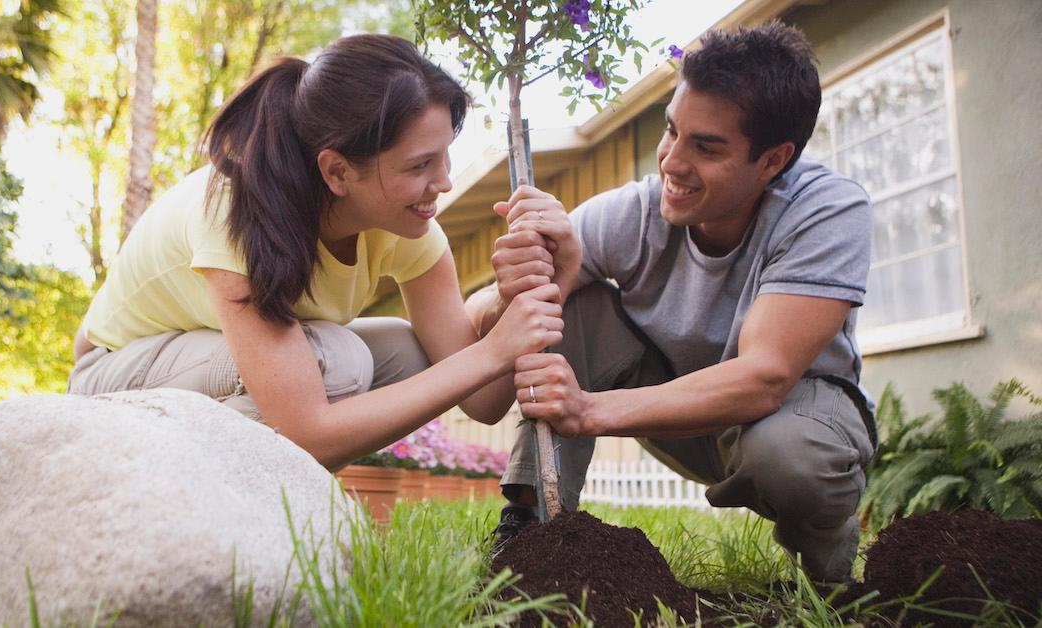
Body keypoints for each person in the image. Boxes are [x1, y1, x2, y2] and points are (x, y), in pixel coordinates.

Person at [468, 21, 877, 584]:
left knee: (787, 455)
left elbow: (765, 377)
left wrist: (587, 410)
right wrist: (516, 288)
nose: (671, 162)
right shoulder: (632, 215)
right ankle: (530, 533)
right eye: (671, 131)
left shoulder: (826, 211)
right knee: (570, 304)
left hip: (788, 420)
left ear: (773, 160)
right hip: (678, 413)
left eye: (705, 147)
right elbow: (484, 321)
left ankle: (833, 582)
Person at [68, 34, 564, 472]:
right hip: (112, 377)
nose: (444, 182)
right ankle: (182, 495)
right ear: (338, 171)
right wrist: (493, 351)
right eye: (419, 165)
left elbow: (482, 398)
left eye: (444, 157)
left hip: (199, 363)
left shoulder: (410, 229)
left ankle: (271, 495)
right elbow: (308, 430)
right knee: (339, 360)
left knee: (411, 353)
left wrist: (517, 296)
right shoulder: (239, 210)